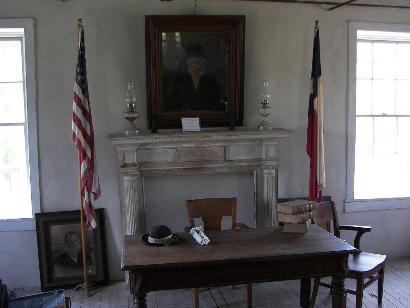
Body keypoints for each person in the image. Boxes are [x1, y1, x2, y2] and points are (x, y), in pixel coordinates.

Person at [164, 44, 225, 112]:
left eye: (198, 61)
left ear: (203, 62)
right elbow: (172, 103)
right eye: (193, 62)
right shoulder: (180, 81)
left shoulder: (211, 82)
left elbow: (216, 104)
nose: (196, 65)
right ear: (187, 62)